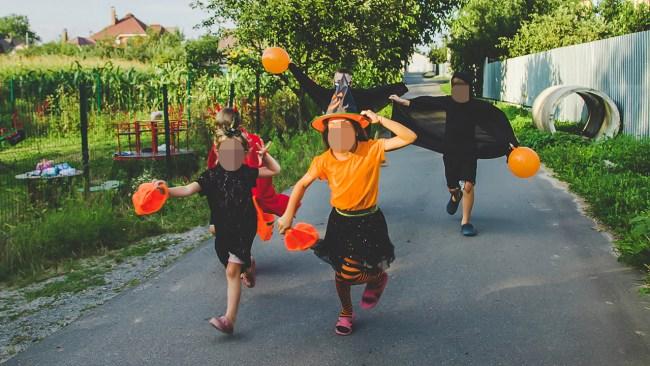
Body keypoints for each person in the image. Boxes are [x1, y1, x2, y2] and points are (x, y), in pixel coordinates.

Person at [277, 76, 416, 336]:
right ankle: (346, 311)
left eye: (345, 128)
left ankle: (376, 278)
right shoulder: (323, 160)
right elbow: (300, 185)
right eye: (333, 130)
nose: (339, 134)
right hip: (340, 220)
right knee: (342, 275)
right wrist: (287, 215)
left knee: (351, 273)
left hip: (369, 221)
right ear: (327, 134)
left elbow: (409, 137)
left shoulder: (372, 149)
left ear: (356, 129)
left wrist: (381, 119)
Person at [155, 123, 281, 334]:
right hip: (223, 229)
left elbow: (275, 170)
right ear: (217, 151)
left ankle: (229, 319)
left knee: (232, 271)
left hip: (244, 226)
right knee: (233, 263)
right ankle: (249, 267)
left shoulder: (246, 172)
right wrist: (166, 191)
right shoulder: (210, 176)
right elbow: (187, 189)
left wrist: (265, 156)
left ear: (243, 154)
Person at [390, 71, 519, 237]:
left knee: (469, 185)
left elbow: (497, 119)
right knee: (453, 186)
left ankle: (466, 221)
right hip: (450, 150)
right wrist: (403, 101)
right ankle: (454, 196)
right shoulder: (448, 102)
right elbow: (427, 102)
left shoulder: (476, 106)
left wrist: (510, 141)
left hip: (469, 151)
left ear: (468, 87)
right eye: (455, 86)